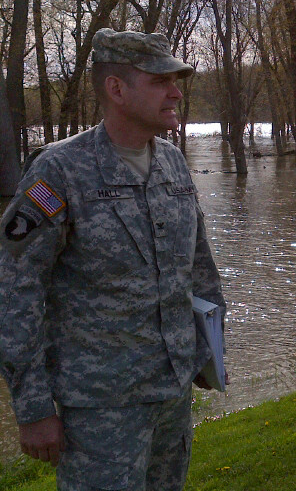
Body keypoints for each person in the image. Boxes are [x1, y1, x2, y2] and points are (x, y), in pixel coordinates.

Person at [0, 28, 226, 490]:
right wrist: (33, 407)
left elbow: (198, 266)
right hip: (101, 406)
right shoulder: (58, 171)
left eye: (176, 80)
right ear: (117, 89)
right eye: (161, 81)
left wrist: (208, 354)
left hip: (172, 394)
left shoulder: (172, 162)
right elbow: (15, 288)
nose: (176, 92)